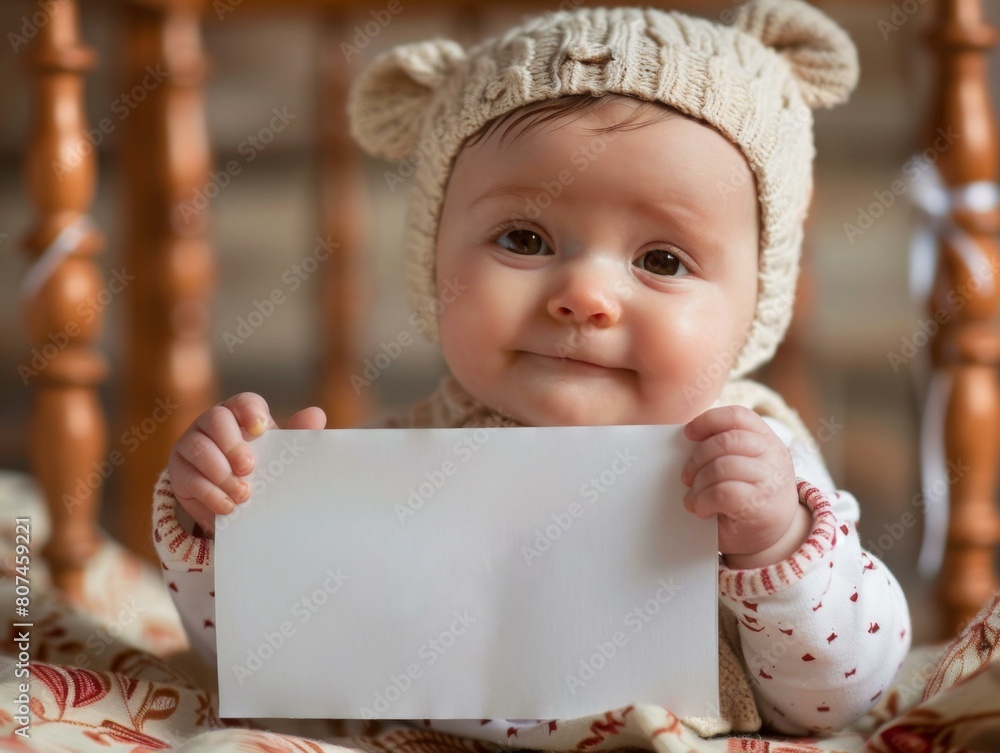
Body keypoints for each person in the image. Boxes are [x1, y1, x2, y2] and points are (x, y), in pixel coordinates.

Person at [153, 0, 910, 740]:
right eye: (523, 237)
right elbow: (273, 677)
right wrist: (236, 527)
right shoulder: (405, 459)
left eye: (661, 260)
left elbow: (843, 698)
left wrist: (776, 544)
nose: (584, 296)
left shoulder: (754, 462)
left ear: (756, 301)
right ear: (434, 259)